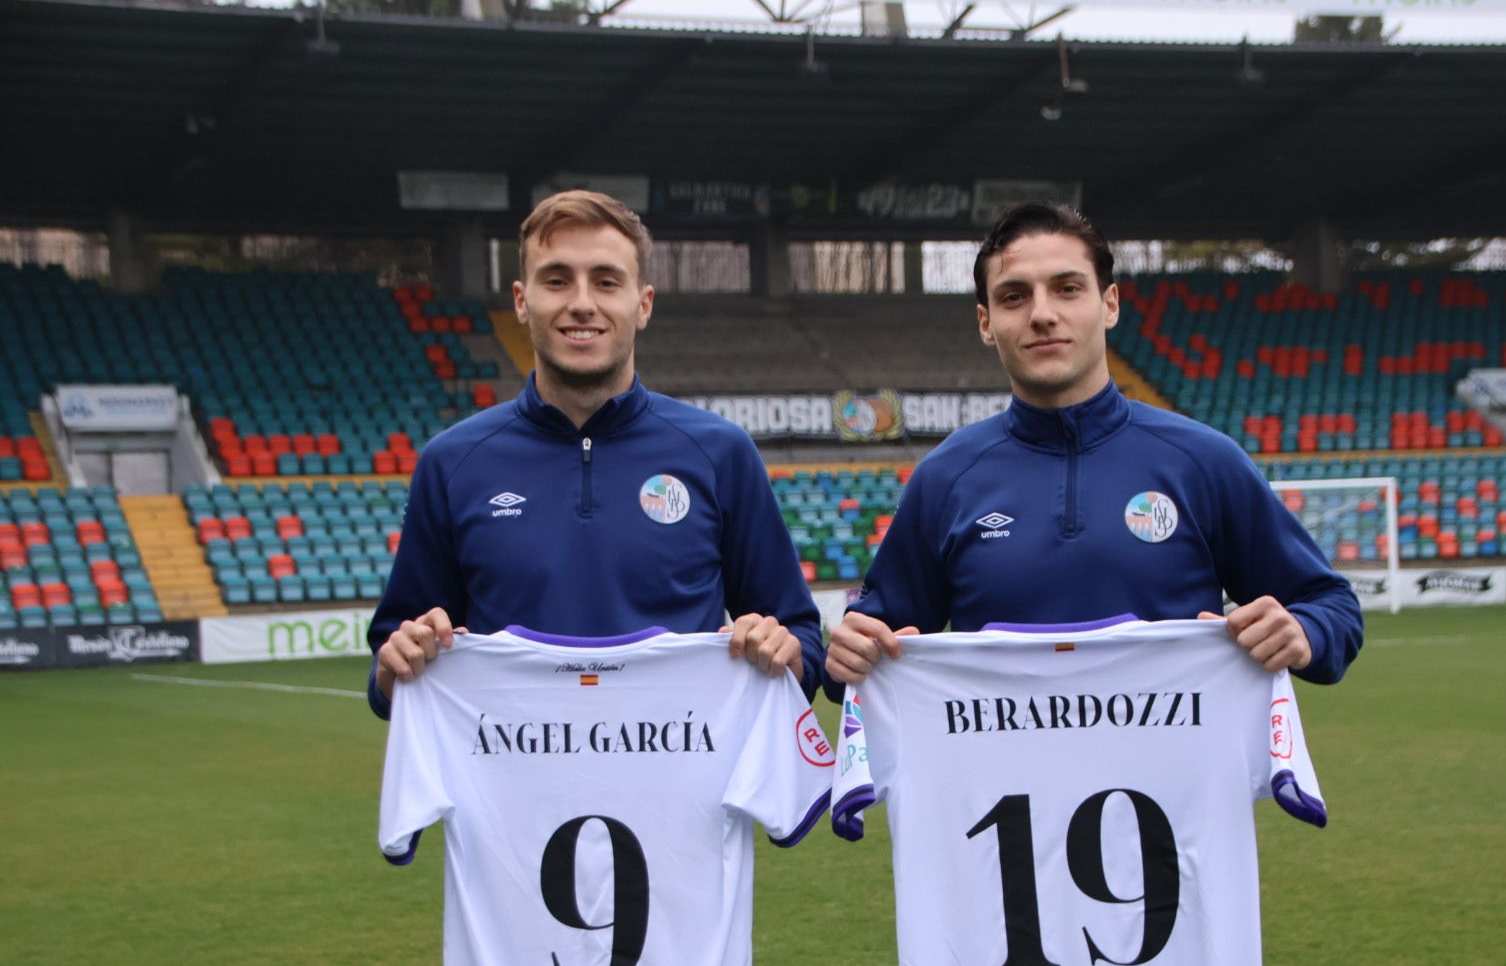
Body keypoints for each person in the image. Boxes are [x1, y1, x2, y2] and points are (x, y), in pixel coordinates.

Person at [825, 201, 1362, 694]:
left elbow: (1332, 607)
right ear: (987, 323)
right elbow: (872, 640)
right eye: (1014, 296)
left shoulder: (1203, 462)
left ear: (1109, 305)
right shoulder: (947, 479)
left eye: (1067, 288)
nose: (1041, 313)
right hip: (1000, 793)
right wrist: (848, 652)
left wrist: (1302, 631)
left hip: (1175, 792)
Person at [367, 190, 823, 718]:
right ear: (521, 299)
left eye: (606, 281)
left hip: (681, 793)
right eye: (557, 279)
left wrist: (785, 651)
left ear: (643, 304)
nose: (582, 302)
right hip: (513, 794)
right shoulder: (452, 463)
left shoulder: (721, 453)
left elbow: (803, 643)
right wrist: (394, 661)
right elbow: (391, 664)